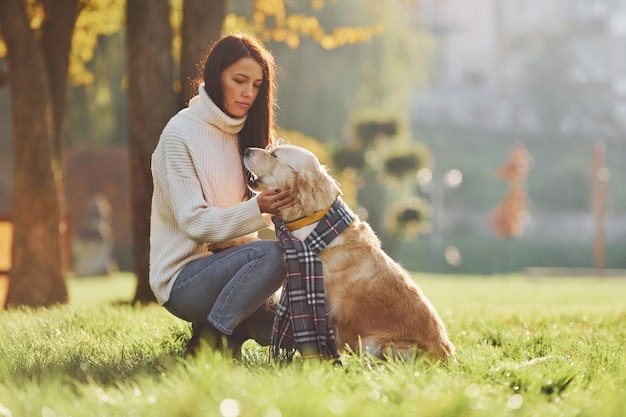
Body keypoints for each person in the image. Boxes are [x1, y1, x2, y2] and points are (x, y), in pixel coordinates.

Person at [149, 34, 294, 356]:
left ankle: (232, 327)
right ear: (216, 77)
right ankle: (210, 342)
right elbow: (194, 223)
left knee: (307, 322)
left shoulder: (250, 134)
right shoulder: (180, 134)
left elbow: (249, 223)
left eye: (257, 85)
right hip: (183, 281)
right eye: (239, 80)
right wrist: (258, 208)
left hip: (236, 270)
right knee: (274, 255)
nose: (248, 92)